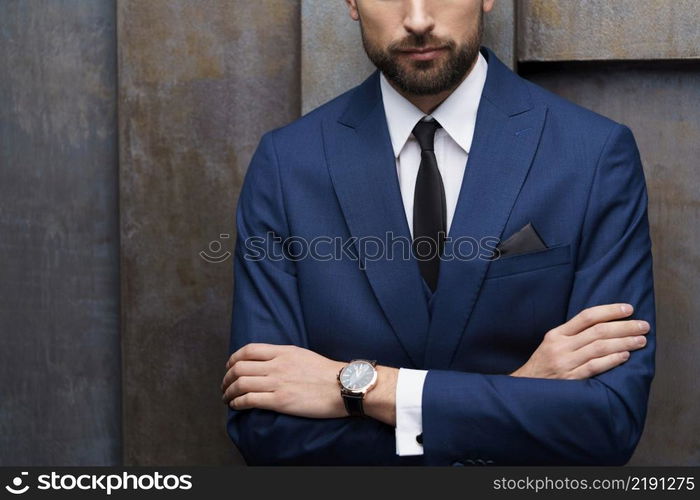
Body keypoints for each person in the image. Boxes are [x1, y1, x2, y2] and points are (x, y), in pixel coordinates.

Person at [220, 0, 656, 466]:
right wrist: (523, 388)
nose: (418, 20)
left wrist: (363, 388)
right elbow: (266, 432)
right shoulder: (286, 165)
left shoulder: (594, 154)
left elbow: (608, 421)